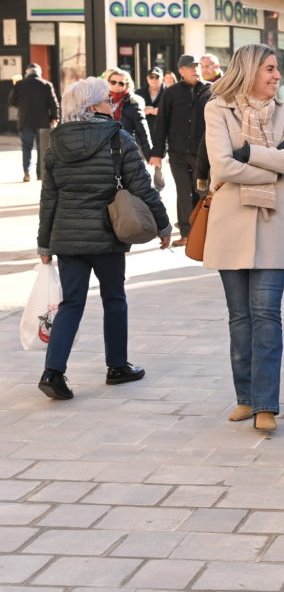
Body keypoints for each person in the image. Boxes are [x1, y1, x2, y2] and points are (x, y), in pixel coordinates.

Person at [35, 77, 171, 400]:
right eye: (106, 100)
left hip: (67, 238)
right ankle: (117, 366)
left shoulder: (56, 142)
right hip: (107, 236)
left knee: (71, 303)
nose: (111, 105)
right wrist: (163, 225)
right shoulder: (117, 138)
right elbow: (141, 187)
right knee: (114, 299)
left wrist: (44, 243)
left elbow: (48, 198)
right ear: (93, 105)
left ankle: (52, 372)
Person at [201, 44, 284, 433]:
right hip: (230, 228)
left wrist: (249, 153)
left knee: (267, 317)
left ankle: (266, 404)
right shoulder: (217, 109)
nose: (277, 76)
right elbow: (221, 165)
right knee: (240, 319)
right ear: (249, 71)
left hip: (272, 227)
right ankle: (244, 397)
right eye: (270, 69)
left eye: (277, 69)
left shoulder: (283, 112)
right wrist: (269, 165)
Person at [150, 55, 211, 246]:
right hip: (178, 153)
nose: (195, 69)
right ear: (181, 71)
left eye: (197, 66)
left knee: (202, 191)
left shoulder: (211, 90)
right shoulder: (171, 93)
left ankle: (205, 231)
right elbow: (162, 124)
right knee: (183, 192)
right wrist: (157, 153)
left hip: (204, 154)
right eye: (190, 67)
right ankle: (186, 233)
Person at [8, 63, 59, 182]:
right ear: (39, 72)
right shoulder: (47, 84)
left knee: (26, 147)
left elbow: (12, 102)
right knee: (42, 148)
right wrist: (54, 118)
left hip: (25, 121)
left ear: (27, 73)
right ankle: (41, 173)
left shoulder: (19, 84)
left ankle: (27, 172)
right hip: (42, 122)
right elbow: (54, 104)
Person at [101, 68, 153, 160]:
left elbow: (142, 131)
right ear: (107, 82)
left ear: (127, 85)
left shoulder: (133, 104)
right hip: (104, 149)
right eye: (113, 82)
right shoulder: (100, 102)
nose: (117, 85)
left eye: (121, 83)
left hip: (126, 151)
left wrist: (149, 155)